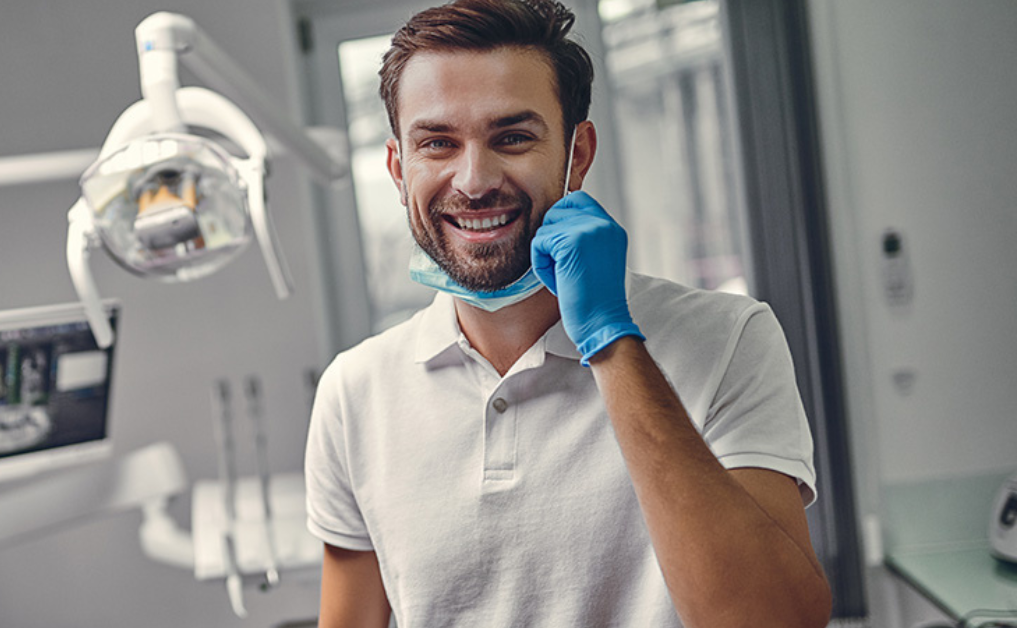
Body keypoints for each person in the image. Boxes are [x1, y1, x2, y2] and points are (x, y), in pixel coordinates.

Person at [303, 0, 833, 626]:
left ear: (578, 154)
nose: (473, 180)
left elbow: (775, 621)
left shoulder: (729, 340)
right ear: (399, 169)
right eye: (437, 143)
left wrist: (612, 342)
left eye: (513, 138)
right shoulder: (354, 393)